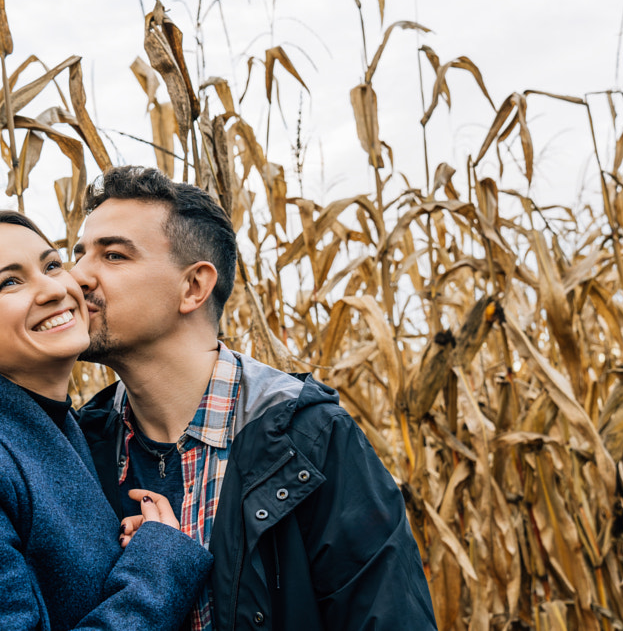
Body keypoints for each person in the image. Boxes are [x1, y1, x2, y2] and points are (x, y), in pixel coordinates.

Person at [72, 166, 438, 630]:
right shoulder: (81, 448)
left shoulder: (309, 440)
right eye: (78, 254)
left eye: (114, 256)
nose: (75, 277)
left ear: (193, 287)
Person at [0, 210, 212, 631]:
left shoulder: (64, 435)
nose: (54, 289)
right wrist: (158, 569)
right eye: (10, 282)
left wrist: (135, 552)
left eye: (52, 265)